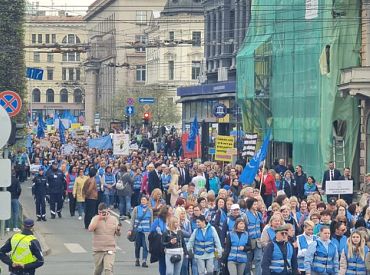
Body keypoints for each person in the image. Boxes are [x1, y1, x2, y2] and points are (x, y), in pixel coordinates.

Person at [88, 203, 121, 275]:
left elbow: (118, 234)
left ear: (108, 210)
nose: (102, 214)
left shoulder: (114, 219)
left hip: (110, 248)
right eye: (100, 212)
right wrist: (98, 218)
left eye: (103, 212)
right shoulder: (95, 218)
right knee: (97, 270)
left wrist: (118, 229)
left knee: (108, 269)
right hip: (98, 249)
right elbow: (90, 229)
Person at [129, 195, 153, 268]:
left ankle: (144, 261)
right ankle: (137, 259)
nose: (143, 201)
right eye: (142, 199)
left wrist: (151, 231)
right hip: (138, 230)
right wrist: (130, 229)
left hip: (146, 231)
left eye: (144, 200)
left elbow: (151, 221)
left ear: (147, 201)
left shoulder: (150, 210)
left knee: (146, 246)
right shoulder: (136, 209)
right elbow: (132, 220)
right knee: (137, 246)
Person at [245, 198, 263, 275]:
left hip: (258, 240)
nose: (256, 206)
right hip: (249, 241)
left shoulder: (259, 214)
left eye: (256, 204)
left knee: (258, 259)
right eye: (254, 204)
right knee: (248, 260)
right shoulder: (245, 215)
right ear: (250, 205)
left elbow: (261, 226)